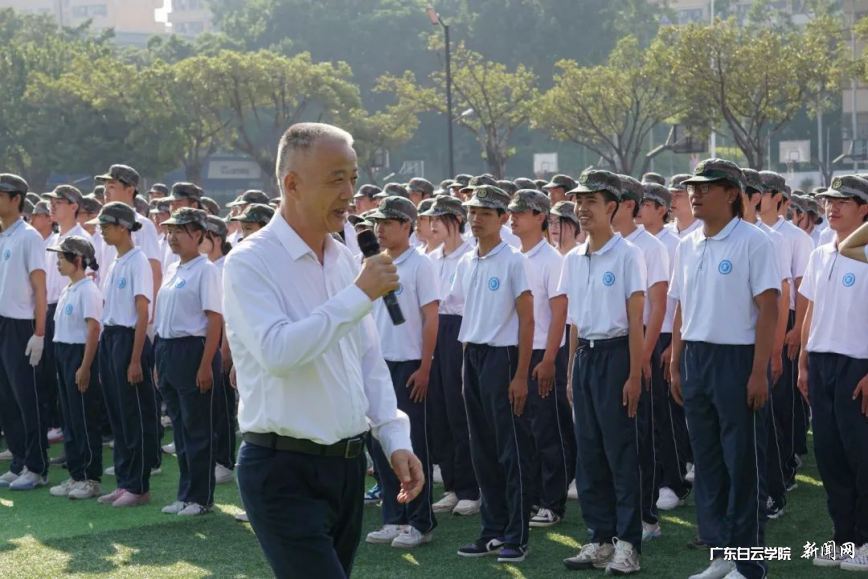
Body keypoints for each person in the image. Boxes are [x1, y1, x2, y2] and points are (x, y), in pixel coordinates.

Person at [222, 122, 422, 579]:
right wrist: (358, 295)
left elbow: (368, 362)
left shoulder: (346, 261)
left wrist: (394, 439)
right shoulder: (250, 261)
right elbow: (278, 352)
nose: (349, 192)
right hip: (281, 470)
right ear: (291, 184)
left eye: (352, 177)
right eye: (336, 178)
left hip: (348, 469)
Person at [669, 160, 779, 579]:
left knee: (743, 463)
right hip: (697, 358)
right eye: (692, 188)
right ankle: (721, 555)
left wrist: (758, 371)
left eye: (706, 188)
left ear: (732, 193)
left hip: (737, 359)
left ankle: (751, 565)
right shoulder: (686, 243)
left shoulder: (753, 241)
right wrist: (677, 363)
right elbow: (681, 308)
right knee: (709, 463)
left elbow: (768, 308)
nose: (694, 195)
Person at [559, 170, 645, 575]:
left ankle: (628, 543)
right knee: (589, 453)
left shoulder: (628, 254)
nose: (582, 208)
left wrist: (634, 373)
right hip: (587, 359)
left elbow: (635, 318)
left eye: (590, 201)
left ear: (612, 207)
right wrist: (572, 367)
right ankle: (599, 537)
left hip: (616, 358)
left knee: (620, 452)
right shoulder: (573, 258)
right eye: (579, 201)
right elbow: (574, 321)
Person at [450, 184, 534, 563]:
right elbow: (468, 313)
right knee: (481, 448)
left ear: (503, 218)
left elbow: (528, 319)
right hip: (474, 357)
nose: (477, 218)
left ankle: (516, 535)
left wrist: (520, 375)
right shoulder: (467, 260)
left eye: (486, 212)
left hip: (504, 358)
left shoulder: (514, 260)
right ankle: (492, 530)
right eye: (472, 211)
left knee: (510, 450)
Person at [797, 176, 868, 571]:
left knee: (862, 456)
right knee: (830, 457)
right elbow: (812, 310)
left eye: (844, 200)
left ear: (865, 209)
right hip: (822, 364)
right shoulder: (820, 252)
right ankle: (845, 540)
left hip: (858, 364)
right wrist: (804, 362)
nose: (832, 206)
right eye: (829, 200)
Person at [364, 196, 440, 548]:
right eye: (378, 223)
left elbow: (431, 317)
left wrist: (425, 366)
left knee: (414, 444)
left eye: (388, 223)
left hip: (409, 364)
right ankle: (394, 517)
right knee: (380, 443)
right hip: (378, 364)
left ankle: (420, 522)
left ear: (407, 226)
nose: (379, 229)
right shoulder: (373, 263)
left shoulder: (420, 264)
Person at [507, 189, 575, 529]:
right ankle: (531, 496)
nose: (514, 217)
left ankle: (553, 502)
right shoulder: (511, 256)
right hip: (517, 352)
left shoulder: (552, 260)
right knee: (522, 431)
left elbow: (559, 314)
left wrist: (549, 359)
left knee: (549, 430)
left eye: (523, 212)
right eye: (512, 212)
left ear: (540, 218)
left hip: (545, 352)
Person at [89, 201, 160, 507]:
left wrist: (134, 358)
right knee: (118, 416)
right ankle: (123, 481)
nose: (101, 232)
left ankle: (139, 486)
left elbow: (143, 312)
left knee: (134, 415)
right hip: (112, 339)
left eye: (105, 226)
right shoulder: (116, 262)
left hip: (130, 339)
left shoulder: (137, 261)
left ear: (122, 227)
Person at [155, 208, 223, 516]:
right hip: (168, 350)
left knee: (197, 428)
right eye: (170, 232)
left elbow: (214, 320)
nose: (172, 237)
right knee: (180, 429)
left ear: (198, 235)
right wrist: (159, 361)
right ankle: (184, 494)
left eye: (179, 232)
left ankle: (201, 497)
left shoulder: (206, 270)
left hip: (193, 350)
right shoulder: (172, 269)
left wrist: (206, 363)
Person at [615, 175, 671, 543]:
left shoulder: (650, 247)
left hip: (640, 346)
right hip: (609, 347)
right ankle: (617, 519)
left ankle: (647, 516)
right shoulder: (602, 245)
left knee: (641, 435)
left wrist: (644, 357)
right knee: (614, 439)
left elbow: (659, 304)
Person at [421, 195, 481, 517]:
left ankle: (472, 488)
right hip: (436, 327)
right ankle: (454, 485)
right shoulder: (431, 258)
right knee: (439, 409)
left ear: (456, 220)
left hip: (460, 328)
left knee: (460, 410)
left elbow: (465, 302)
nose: (431, 225)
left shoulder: (470, 256)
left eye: (438, 219)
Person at [637, 182, 694, 508]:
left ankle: (675, 481)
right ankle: (654, 478)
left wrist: (674, 342)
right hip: (638, 329)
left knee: (665, 413)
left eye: (647, 204)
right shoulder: (632, 243)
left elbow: (677, 298)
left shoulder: (673, 243)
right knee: (643, 413)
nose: (641, 209)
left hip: (664, 332)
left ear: (661, 209)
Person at [741, 168, 792, 521]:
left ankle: (773, 492)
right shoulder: (713, 237)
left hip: (754, 346)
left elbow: (778, 299)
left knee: (761, 425)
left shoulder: (765, 239)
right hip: (724, 347)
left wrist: (773, 353)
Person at [759, 170, 814, 488]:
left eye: (767, 193)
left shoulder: (795, 237)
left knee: (784, 395)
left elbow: (802, 286)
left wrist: (797, 330)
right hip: (762, 319)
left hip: (789, 318)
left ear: (780, 200)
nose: (760, 198)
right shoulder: (753, 233)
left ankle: (788, 461)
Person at [0, 173, 50, 491]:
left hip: (22, 326)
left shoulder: (29, 236)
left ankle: (36, 466)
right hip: (2, 322)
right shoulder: (3, 236)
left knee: (26, 398)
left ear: (16, 198)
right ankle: (19, 460)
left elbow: (40, 288)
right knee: (6, 398)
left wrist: (40, 333)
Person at [46, 236, 104, 500]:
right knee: (69, 417)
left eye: (62, 257)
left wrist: (84, 366)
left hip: (78, 355)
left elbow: (93, 329)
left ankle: (91, 479)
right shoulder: (69, 289)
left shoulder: (88, 289)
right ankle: (76, 475)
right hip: (63, 352)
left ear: (77, 260)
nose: (57, 262)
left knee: (84, 417)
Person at [201, 215, 237, 485]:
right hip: (206, 343)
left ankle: (224, 460)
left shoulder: (226, 266)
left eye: (204, 236)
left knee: (224, 405)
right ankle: (215, 457)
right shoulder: (207, 266)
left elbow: (227, 315)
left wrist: (225, 350)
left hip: (223, 343)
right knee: (211, 406)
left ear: (216, 239)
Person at [666, 174, 702, 239]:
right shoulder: (665, 232)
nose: (672, 200)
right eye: (670, 195)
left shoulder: (706, 231)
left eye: (678, 195)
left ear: (693, 197)